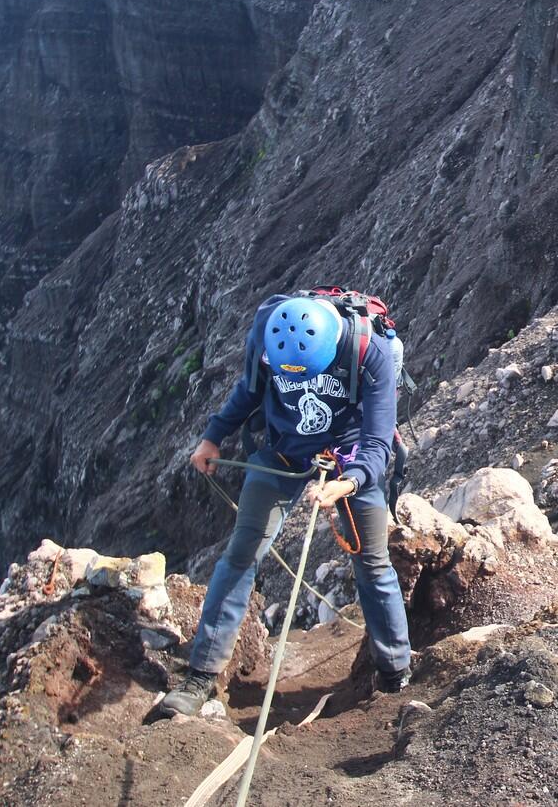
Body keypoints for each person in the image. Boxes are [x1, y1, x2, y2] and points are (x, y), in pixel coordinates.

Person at [157, 294, 412, 718]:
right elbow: (249, 391)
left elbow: (378, 439)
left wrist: (346, 483)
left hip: (349, 455)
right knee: (242, 551)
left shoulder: (371, 351)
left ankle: (394, 674)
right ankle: (201, 675)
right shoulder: (268, 334)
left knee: (372, 560)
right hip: (283, 451)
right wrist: (213, 436)